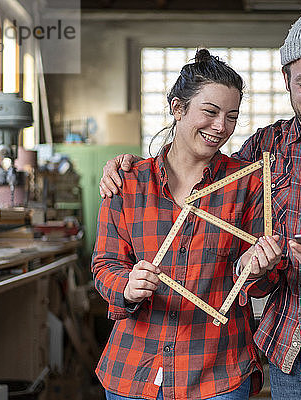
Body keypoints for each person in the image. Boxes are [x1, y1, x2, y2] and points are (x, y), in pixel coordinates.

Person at [99, 6, 301, 399]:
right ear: (287, 79)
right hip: (288, 355)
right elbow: (198, 163)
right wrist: (126, 166)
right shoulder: (263, 149)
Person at [92, 49, 282, 400]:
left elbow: (261, 283)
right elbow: (105, 264)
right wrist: (127, 286)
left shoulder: (246, 183)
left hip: (217, 373)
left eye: (231, 116)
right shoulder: (128, 180)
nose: (220, 127)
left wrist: (254, 268)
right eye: (209, 112)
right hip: (134, 371)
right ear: (178, 109)